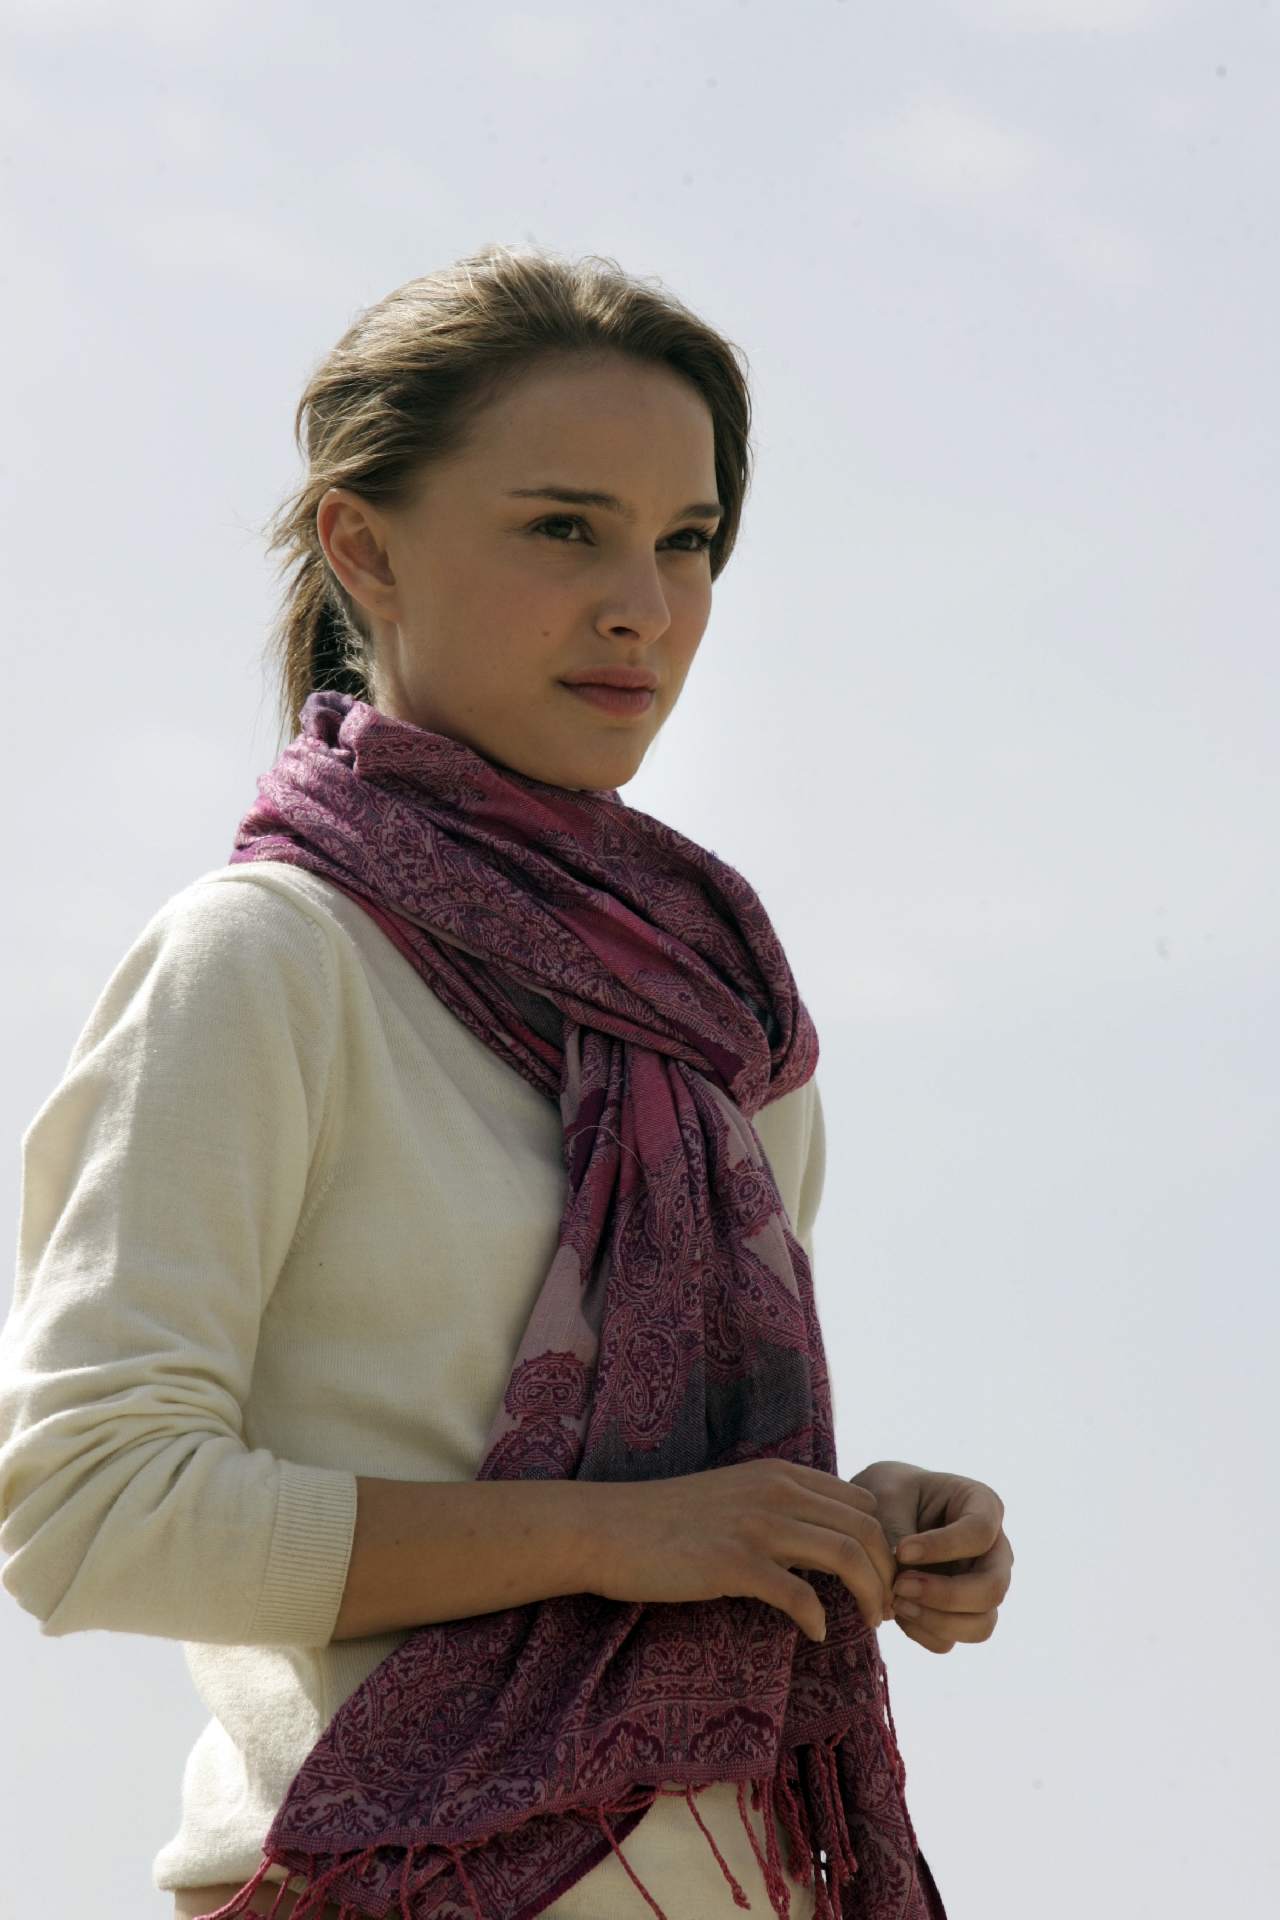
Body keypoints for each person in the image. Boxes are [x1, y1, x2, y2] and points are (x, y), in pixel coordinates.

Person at [0, 244, 1010, 1920]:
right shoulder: (271, 962)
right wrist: (622, 1536)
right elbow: (85, 1512)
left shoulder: (720, 1023)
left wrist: (843, 1529)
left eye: (687, 542)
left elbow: (671, 1505)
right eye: (563, 529)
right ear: (363, 546)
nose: (643, 608)